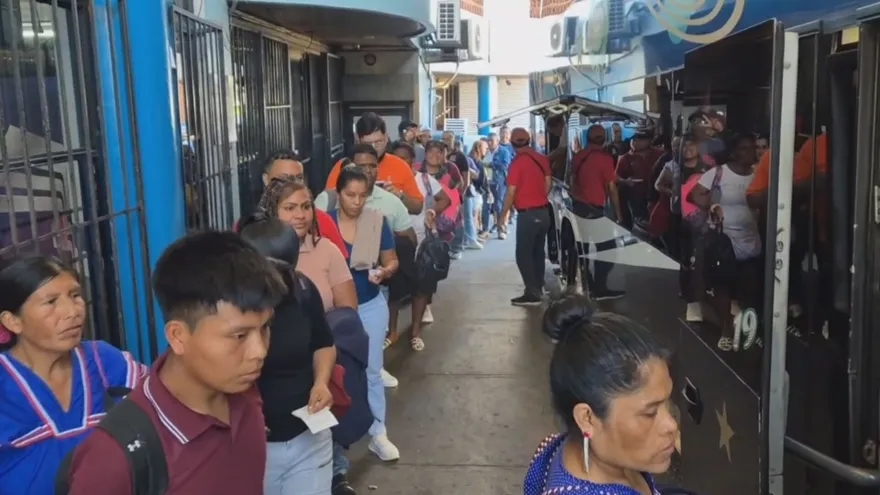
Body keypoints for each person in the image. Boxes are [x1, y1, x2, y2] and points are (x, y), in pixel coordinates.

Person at [66, 231, 288, 493]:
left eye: (264, 328)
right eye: (239, 336)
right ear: (177, 336)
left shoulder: (244, 390)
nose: (259, 351)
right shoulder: (114, 459)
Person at [0, 254, 147, 495]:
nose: (72, 312)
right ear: (13, 321)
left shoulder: (105, 362)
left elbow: (163, 410)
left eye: (75, 296)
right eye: (51, 302)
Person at [525, 296, 677, 495]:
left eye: (667, 403)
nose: (671, 425)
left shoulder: (563, 448)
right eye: (650, 413)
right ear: (587, 418)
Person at [238, 215, 337, 494]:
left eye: (285, 271)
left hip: (308, 438)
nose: (278, 283)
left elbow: (324, 343)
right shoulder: (231, 311)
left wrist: (321, 382)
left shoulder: (304, 291)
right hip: (253, 448)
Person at [327, 166, 401, 461]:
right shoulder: (325, 223)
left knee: (372, 371)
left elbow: (392, 260)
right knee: (332, 373)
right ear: (338, 194)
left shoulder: (375, 222)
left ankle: (378, 432)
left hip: (370, 304)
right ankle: (333, 441)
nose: (356, 202)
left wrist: (385, 271)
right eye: (350, 195)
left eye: (362, 196)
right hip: (334, 311)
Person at [690, 133, 762, 351]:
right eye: (746, 147)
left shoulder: (759, 174)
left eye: (754, 148)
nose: (752, 152)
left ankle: (749, 330)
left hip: (752, 238)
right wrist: (712, 207)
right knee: (723, 286)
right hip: (724, 238)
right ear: (734, 152)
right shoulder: (719, 173)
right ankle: (726, 329)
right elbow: (694, 195)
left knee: (750, 288)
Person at [655, 134, 712, 322]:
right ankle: (690, 297)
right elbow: (658, 185)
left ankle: (704, 289)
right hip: (680, 217)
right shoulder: (672, 167)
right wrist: (672, 192)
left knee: (705, 256)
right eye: (682, 146)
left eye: (691, 145)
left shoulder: (707, 167)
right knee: (685, 257)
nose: (686, 149)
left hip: (704, 218)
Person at [324, 113, 424, 214]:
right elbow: (327, 204)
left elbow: (418, 207)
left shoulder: (400, 165)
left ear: (386, 138)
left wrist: (400, 195)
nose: (373, 147)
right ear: (357, 140)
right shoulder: (343, 166)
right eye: (367, 143)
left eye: (378, 142)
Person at [253, 150, 348, 256]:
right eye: (283, 178)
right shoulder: (250, 227)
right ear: (266, 180)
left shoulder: (323, 221)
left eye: (298, 179)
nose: (292, 184)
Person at [570, 124, 625, 300]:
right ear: (605, 138)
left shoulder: (578, 156)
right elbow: (612, 188)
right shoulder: (605, 158)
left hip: (578, 207)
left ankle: (587, 285)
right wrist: (618, 213)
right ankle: (599, 288)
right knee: (608, 248)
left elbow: (572, 180)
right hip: (594, 208)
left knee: (582, 247)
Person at [498, 127, 551, 306]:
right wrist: (539, 197)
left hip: (528, 215)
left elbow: (511, 193)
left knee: (523, 254)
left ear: (512, 144)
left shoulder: (517, 164)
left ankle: (532, 293)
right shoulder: (541, 159)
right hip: (544, 212)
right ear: (529, 140)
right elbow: (548, 183)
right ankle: (538, 287)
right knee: (537, 251)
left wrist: (503, 215)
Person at [492, 126, 516, 239]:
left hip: (507, 179)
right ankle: (498, 223)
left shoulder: (511, 148)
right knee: (496, 203)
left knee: (504, 202)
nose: (504, 135)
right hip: (494, 180)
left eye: (507, 133)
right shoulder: (493, 147)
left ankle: (503, 225)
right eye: (502, 133)